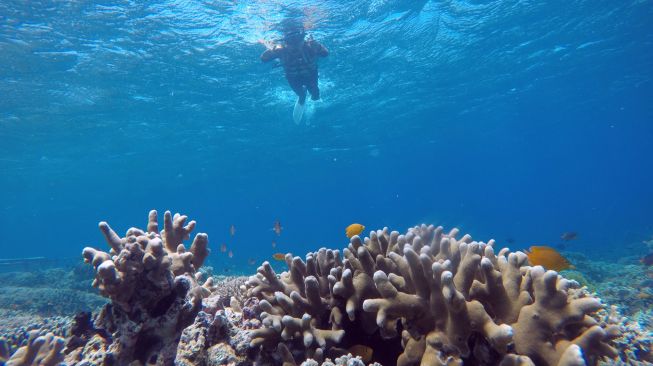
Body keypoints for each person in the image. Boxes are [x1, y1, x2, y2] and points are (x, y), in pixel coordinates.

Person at [260, 21, 328, 107]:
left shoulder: (310, 46)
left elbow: (325, 54)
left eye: (298, 39)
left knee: (315, 95)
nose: (295, 44)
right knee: (301, 94)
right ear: (285, 42)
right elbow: (263, 59)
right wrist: (272, 50)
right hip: (293, 77)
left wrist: (319, 46)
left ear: (302, 38)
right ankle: (303, 95)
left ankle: (314, 106)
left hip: (311, 74)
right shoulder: (280, 50)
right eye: (290, 41)